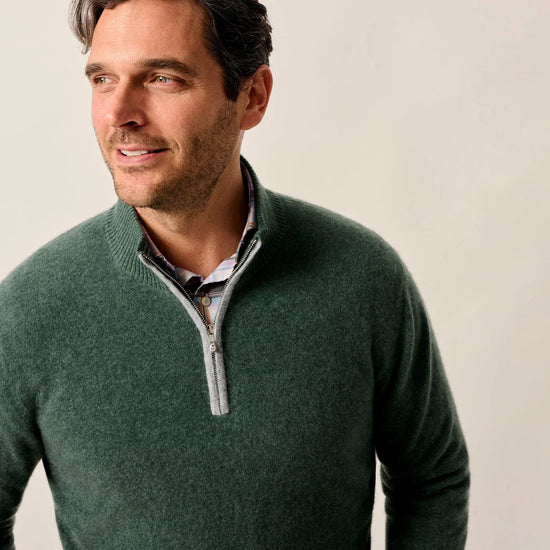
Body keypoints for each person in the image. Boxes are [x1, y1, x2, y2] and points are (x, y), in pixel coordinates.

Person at [0, 0, 469, 548]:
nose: (119, 113)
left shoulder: (363, 276)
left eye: (163, 78)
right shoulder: (30, 308)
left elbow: (431, 478)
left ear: (253, 96)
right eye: (103, 79)